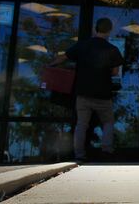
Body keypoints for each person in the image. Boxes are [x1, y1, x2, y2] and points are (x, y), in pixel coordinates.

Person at [51, 17, 124, 161]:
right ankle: (107, 151)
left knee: (82, 124)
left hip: (83, 93)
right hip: (103, 94)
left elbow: (63, 57)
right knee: (108, 122)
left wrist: (50, 64)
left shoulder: (82, 46)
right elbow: (115, 72)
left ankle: (79, 155)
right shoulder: (113, 50)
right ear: (109, 31)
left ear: (95, 29)